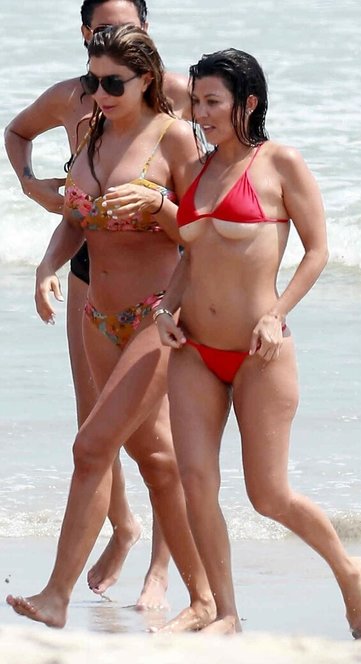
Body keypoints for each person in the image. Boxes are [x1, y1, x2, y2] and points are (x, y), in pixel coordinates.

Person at [154, 48, 361, 637]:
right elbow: (192, 256)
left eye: (213, 102)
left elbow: (317, 250)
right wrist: (163, 309)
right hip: (194, 350)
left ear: (248, 102)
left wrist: (276, 315)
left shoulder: (280, 163)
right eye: (195, 102)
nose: (200, 113)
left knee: (268, 495)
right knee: (195, 481)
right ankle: (225, 612)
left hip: (260, 353)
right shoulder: (197, 169)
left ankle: (349, 569)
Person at [6, 24, 215, 631]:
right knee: (155, 459)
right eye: (93, 80)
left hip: (159, 315)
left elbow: (206, 234)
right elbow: (76, 217)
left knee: (91, 446)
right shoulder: (94, 132)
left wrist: (159, 206)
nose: (98, 93)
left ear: (147, 78)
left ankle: (56, 596)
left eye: (113, 83)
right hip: (99, 316)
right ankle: (206, 599)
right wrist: (47, 267)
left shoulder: (176, 138)